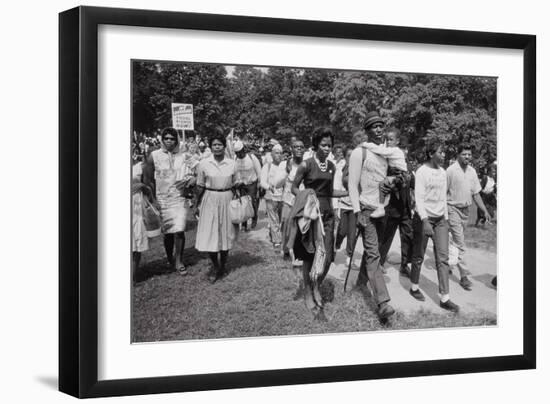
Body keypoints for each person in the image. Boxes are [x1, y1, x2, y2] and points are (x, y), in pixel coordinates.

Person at [291, 127, 347, 313]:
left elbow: (330, 192)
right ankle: (308, 292)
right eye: (323, 145)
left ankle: (316, 284)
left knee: (328, 256)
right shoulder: (306, 165)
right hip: (311, 216)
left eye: (329, 145)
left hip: (328, 215)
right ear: (316, 145)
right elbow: (293, 187)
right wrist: (307, 197)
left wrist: (349, 193)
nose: (327, 148)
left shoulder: (331, 166)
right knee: (309, 256)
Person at [348, 111, 395, 320]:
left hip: (381, 210)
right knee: (374, 253)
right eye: (374, 126)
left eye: (381, 126)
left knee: (373, 251)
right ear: (367, 132)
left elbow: (385, 180)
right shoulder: (360, 153)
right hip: (366, 209)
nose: (379, 129)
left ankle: (360, 283)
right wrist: (357, 211)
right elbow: (352, 184)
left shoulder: (385, 153)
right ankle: (383, 302)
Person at [410, 141, 459, 312]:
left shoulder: (443, 172)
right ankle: (414, 286)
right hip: (424, 219)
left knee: (443, 259)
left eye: (444, 152)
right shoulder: (422, 172)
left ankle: (445, 298)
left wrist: (445, 220)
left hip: (440, 221)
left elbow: (443, 198)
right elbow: (419, 199)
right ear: (431, 154)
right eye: (441, 152)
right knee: (418, 256)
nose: (444, 155)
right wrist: (424, 221)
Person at [143, 127, 193, 275]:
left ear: (176, 140)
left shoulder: (183, 156)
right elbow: (147, 179)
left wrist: (190, 180)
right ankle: (170, 259)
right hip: (162, 199)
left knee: (179, 230)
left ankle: (179, 261)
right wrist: (152, 199)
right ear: (162, 140)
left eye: (172, 139)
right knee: (168, 233)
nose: (169, 141)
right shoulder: (154, 156)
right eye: (167, 139)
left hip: (179, 198)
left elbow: (195, 171)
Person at [195, 128, 240, 283]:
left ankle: (223, 265)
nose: (217, 147)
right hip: (210, 198)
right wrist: (196, 203)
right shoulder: (204, 164)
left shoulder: (232, 164)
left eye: (220, 144)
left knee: (226, 233)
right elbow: (200, 185)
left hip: (227, 198)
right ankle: (215, 266)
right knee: (211, 233)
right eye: (214, 145)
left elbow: (236, 183)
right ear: (210, 147)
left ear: (224, 146)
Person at [446, 143, 492, 290]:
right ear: (458, 155)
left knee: (454, 241)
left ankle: (447, 262)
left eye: (469, 154)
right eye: (464, 154)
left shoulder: (472, 171)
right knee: (460, 242)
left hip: (465, 211)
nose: (467, 157)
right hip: (452, 208)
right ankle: (464, 275)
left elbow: (476, 193)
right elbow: (442, 192)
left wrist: (484, 210)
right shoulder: (450, 171)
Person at [376, 128, 414, 276]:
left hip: (405, 207)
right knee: (386, 236)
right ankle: (379, 262)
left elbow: (413, 183)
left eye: (405, 148)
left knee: (407, 236)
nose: (404, 151)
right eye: (402, 148)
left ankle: (405, 265)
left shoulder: (407, 164)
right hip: (391, 206)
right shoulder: (387, 162)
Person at [281, 137, 305, 264]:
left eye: (301, 147)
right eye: (296, 147)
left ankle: (296, 255)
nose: (299, 149)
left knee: (298, 228)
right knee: (286, 226)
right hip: (288, 201)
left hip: (301, 201)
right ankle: (285, 249)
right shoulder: (286, 164)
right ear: (291, 149)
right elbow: (278, 182)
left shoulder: (307, 164)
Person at [260, 144, 287, 249]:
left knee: (281, 219)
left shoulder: (285, 166)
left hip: (283, 197)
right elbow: (262, 181)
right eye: (276, 153)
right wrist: (268, 186)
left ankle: (273, 234)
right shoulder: (267, 166)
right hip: (270, 196)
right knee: (273, 218)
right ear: (271, 154)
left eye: (280, 153)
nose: (278, 155)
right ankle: (277, 241)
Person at [132, 151, 152, 283]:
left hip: (136, 205)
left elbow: (147, 185)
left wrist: (143, 187)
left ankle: (131, 276)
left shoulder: (139, 166)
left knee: (137, 240)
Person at [334, 146, 356, 267]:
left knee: (352, 233)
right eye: (349, 156)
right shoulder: (340, 170)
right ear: (345, 156)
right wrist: (336, 207)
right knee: (342, 231)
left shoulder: (359, 170)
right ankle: (336, 246)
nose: (351, 158)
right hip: (343, 205)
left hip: (354, 207)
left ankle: (349, 257)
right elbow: (336, 188)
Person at [234, 140, 262, 230]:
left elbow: (259, 171)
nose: (239, 155)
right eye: (237, 153)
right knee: (243, 204)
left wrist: (260, 184)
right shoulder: (235, 159)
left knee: (252, 203)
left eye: (240, 152)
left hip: (252, 184)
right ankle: (244, 224)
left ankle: (254, 218)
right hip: (241, 185)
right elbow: (235, 172)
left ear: (243, 150)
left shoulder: (251, 157)